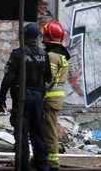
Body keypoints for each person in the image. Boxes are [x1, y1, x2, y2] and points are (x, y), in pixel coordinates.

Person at [0, 23, 51, 171]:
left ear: (23, 35)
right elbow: (48, 78)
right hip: (38, 99)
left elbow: (8, 78)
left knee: (22, 135)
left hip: (23, 100)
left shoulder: (18, 54)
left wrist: (1, 98)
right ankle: (42, 166)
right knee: (38, 134)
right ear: (36, 37)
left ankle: (24, 167)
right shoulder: (43, 54)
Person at [42, 21, 71, 171]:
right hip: (55, 99)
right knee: (45, 129)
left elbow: (49, 78)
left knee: (49, 130)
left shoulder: (52, 56)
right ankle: (40, 158)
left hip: (50, 99)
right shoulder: (62, 54)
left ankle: (53, 163)